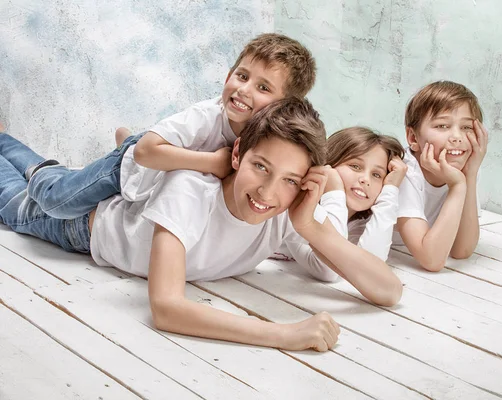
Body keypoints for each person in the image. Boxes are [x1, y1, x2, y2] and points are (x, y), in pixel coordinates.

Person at [0, 99, 403, 353]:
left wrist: (312, 229)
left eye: (290, 179)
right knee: (14, 199)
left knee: (42, 172)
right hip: (81, 228)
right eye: (261, 167)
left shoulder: (288, 207)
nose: (268, 191)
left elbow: (388, 291)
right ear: (237, 153)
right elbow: (167, 309)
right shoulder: (191, 188)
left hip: (109, 207)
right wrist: (283, 334)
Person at [24, 33, 317, 219]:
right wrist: (213, 162)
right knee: (56, 204)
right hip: (131, 164)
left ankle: (126, 137)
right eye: (242, 77)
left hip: (157, 171)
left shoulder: (274, 144)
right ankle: (41, 170)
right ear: (229, 75)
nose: (244, 90)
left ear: (285, 106)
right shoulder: (206, 117)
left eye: (263, 87)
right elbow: (145, 152)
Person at [390, 81, 488, 271]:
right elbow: (432, 260)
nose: (457, 137)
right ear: (412, 138)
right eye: (442, 126)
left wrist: (469, 175)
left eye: (467, 127)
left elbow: (462, 250)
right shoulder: (404, 172)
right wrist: (459, 186)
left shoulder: (464, 169)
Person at [273, 127, 407, 264]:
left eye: (377, 175)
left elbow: (371, 268)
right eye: (355, 166)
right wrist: (334, 191)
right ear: (329, 164)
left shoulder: (359, 225)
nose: (365, 179)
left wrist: (391, 189)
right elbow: (326, 271)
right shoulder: (300, 207)